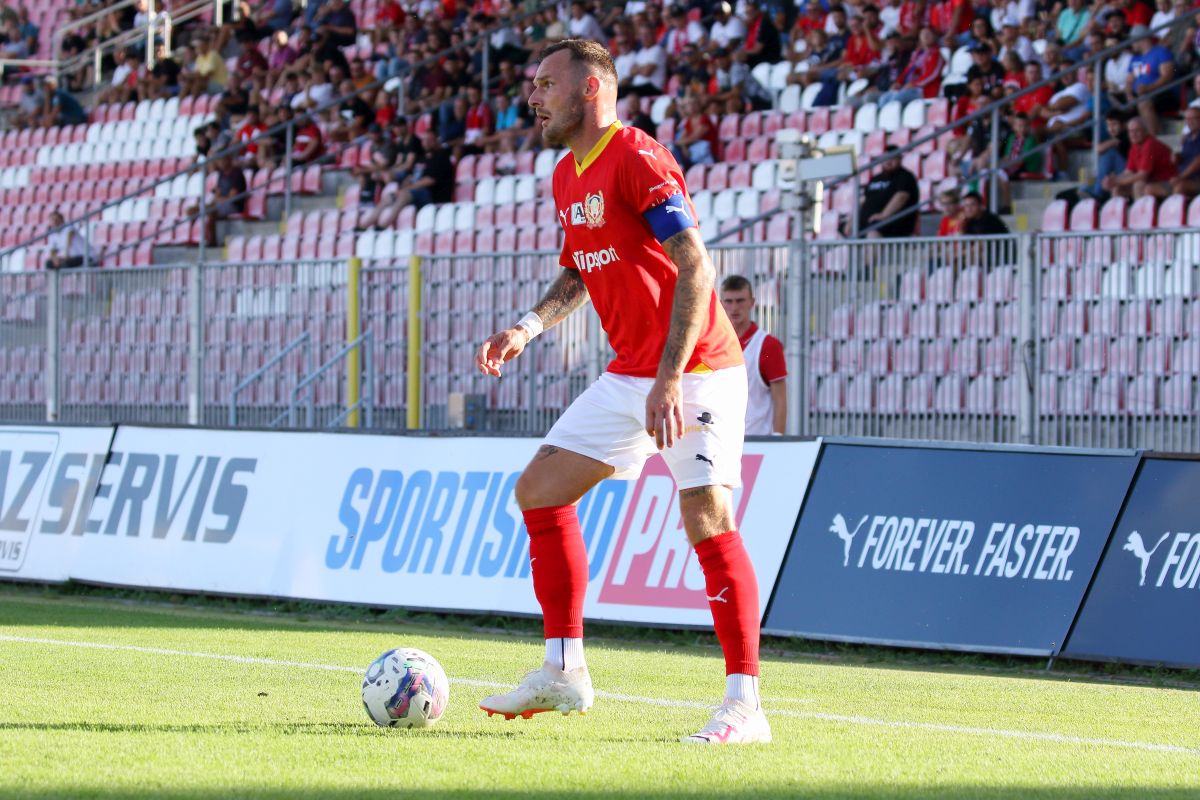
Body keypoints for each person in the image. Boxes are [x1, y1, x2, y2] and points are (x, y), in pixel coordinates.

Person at [474, 39, 769, 745]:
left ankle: (745, 706)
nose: (533, 97)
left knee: (706, 516)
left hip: (696, 367)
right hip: (632, 370)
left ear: (590, 89)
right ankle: (564, 671)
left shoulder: (637, 157)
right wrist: (527, 327)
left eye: (546, 84)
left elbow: (696, 266)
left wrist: (669, 377)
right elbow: (579, 270)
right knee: (539, 489)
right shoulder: (565, 174)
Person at [720, 275, 787, 435]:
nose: (734, 307)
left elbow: (780, 398)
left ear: (752, 302)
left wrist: (777, 438)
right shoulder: (714, 344)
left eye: (740, 301)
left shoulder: (768, 345)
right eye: (729, 301)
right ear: (721, 304)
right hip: (723, 441)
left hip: (757, 440)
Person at [1104, 116, 1176, 199]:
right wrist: (1113, 180)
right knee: (1117, 188)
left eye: (1137, 131)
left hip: (1168, 182)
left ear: (1145, 131)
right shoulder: (1135, 146)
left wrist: (1118, 181)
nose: (1133, 134)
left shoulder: (1150, 144)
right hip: (1151, 182)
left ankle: (1141, 208)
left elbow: (1142, 175)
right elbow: (1128, 172)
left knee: (1138, 185)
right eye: (1130, 131)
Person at [857, 146, 919, 237]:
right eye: (886, 158)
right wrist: (852, 221)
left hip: (893, 224)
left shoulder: (905, 176)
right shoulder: (875, 178)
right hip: (868, 221)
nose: (888, 161)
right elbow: (863, 200)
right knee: (844, 228)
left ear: (900, 159)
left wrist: (884, 215)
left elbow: (901, 197)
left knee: (875, 228)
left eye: (892, 158)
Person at [1126, 24, 1177, 135]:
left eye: (1132, 40)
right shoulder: (1135, 58)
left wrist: (1148, 88)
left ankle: (1153, 140)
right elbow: (1129, 81)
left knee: (1143, 102)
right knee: (1116, 111)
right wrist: (1129, 95)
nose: (1131, 44)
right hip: (1140, 95)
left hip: (1162, 93)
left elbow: (1167, 76)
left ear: (1141, 39)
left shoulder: (1161, 51)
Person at [1170, 106, 1200, 197]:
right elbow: (1176, 160)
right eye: (1187, 119)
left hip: (1196, 179)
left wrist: (1181, 177)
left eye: (1193, 119)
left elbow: (1198, 162)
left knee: (1180, 187)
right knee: (1149, 188)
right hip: (1185, 178)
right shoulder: (1186, 138)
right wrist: (1176, 153)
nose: (1189, 122)